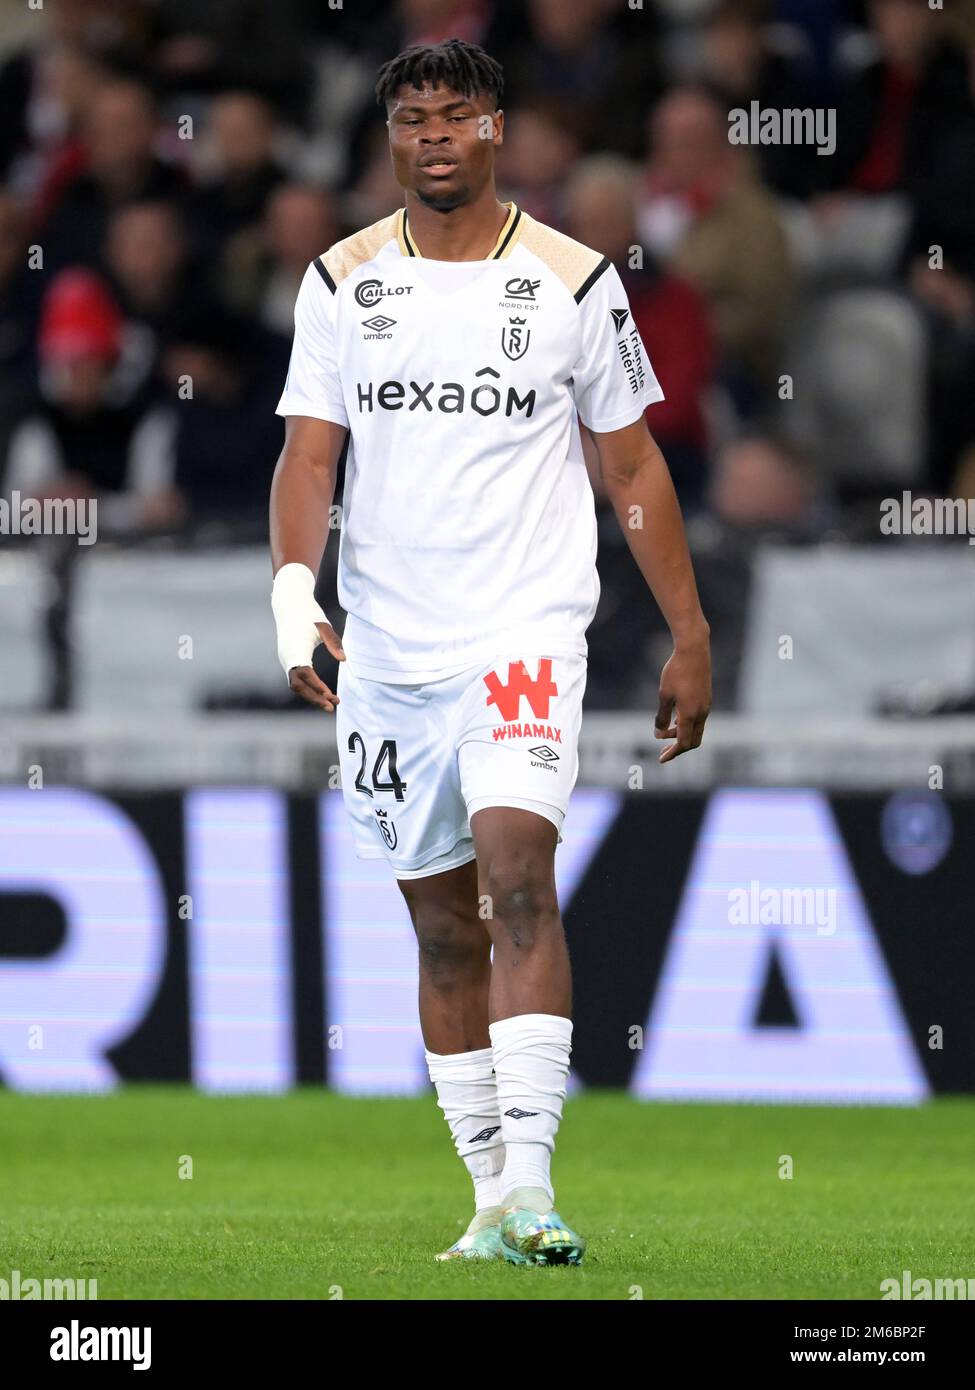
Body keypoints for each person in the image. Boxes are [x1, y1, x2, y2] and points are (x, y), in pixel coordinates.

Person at [268, 39, 711, 1267]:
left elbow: (630, 463)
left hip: (523, 631)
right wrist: (293, 595)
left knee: (519, 874)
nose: (434, 139)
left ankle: (536, 1185)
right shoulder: (341, 281)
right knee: (444, 927)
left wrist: (691, 631)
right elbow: (311, 458)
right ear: (391, 138)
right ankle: (487, 1200)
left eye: (456, 116)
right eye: (413, 120)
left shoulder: (574, 282)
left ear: (500, 128)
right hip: (391, 654)